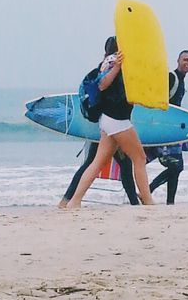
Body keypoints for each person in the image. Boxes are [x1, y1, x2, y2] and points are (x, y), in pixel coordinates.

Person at [63, 37, 154, 209]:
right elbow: (102, 85)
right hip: (116, 119)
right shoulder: (112, 62)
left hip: (110, 120)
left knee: (97, 163)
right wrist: (118, 67)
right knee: (139, 158)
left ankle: (74, 201)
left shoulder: (119, 62)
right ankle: (148, 200)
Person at [148, 49, 188, 204]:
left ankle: (170, 202)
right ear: (178, 61)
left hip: (173, 132)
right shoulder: (171, 77)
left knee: (177, 167)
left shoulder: (181, 80)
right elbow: (155, 99)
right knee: (176, 166)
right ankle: (148, 190)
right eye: (185, 60)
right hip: (163, 131)